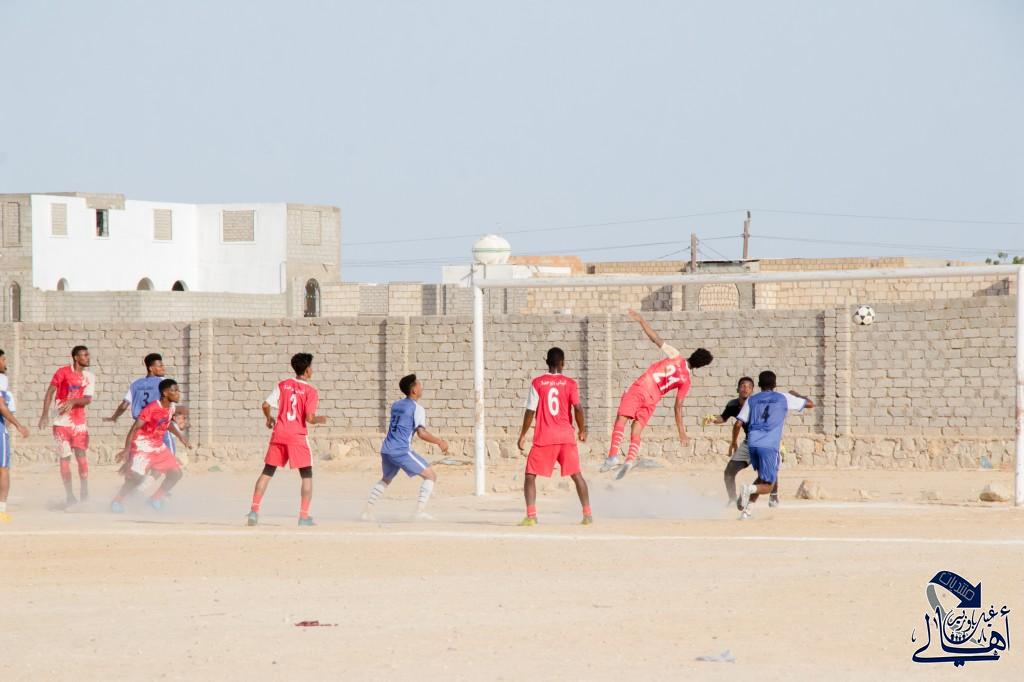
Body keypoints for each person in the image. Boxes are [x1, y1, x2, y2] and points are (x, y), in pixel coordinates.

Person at [600, 310, 713, 479]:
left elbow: (655, 339)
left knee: (621, 419)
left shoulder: (676, 356)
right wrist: (681, 432)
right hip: (653, 398)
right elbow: (678, 407)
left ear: (694, 353)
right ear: (700, 366)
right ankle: (630, 459)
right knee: (636, 429)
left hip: (642, 387)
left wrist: (641, 320)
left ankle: (612, 456)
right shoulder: (686, 381)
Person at [247, 353, 327, 527]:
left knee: (267, 472)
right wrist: (320, 419)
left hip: (279, 434)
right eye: (311, 367)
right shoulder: (311, 391)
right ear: (307, 370)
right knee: (306, 476)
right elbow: (310, 418)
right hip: (297, 436)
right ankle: (303, 516)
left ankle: (253, 511)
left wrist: (269, 418)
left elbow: (265, 405)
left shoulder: (283, 384)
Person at [516, 347, 591, 526]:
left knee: (530, 475)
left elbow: (530, 410)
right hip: (566, 437)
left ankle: (531, 516)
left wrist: (523, 434)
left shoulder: (537, 383)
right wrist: (582, 430)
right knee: (577, 475)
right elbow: (578, 408)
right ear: (563, 363)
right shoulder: (570, 383)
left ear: (547, 362)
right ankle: (587, 515)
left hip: (545, 437)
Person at [362, 374, 448, 521]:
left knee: (386, 479)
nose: (422, 387)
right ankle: (419, 512)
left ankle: (367, 511)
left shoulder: (396, 405)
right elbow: (421, 433)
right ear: (414, 390)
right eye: (419, 384)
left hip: (386, 449)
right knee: (431, 476)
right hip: (401, 450)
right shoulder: (417, 408)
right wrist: (439, 442)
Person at [735, 371, 814, 519]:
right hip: (769, 445)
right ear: (775, 384)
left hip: (753, 443)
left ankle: (747, 511)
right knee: (768, 485)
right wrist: (796, 395)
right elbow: (810, 404)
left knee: (762, 477)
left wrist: (733, 442)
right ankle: (749, 489)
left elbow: (739, 422)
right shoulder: (783, 397)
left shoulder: (751, 400)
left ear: (759, 385)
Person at [110, 379, 191, 512]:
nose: (178, 393)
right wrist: (127, 449)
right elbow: (135, 428)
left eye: (178, 390)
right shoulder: (152, 408)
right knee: (137, 478)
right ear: (165, 393)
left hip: (157, 446)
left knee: (176, 474)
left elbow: (166, 422)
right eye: (174, 390)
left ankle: (155, 499)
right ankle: (116, 501)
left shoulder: (171, 407)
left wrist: (180, 436)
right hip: (142, 445)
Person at [705, 376, 778, 507]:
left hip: (763, 441)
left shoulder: (757, 403)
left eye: (749, 387)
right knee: (729, 472)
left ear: (752, 390)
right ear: (738, 389)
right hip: (748, 442)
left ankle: (773, 496)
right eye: (743, 386)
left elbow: (739, 424)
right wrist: (712, 418)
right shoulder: (733, 405)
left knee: (768, 469)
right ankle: (733, 500)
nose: (746, 389)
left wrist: (734, 442)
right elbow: (723, 418)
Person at [38, 345, 95, 505]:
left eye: (88, 355)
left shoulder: (89, 376)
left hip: (79, 424)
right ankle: (69, 495)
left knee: (81, 456)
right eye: (85, 355)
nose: (88, 357)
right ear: (76, 357)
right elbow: (50, 391)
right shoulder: (62, 372)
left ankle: (84, 490)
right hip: (60, 423)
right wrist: (44, 414)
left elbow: (88, 399)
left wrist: (74, 401)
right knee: (64, 457)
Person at [0, 349, 30, 523]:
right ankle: (1, 509)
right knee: (3, 469)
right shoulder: (2, 379)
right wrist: (19, 425)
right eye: (3, 359)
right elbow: (1, 406)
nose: (5, 363)